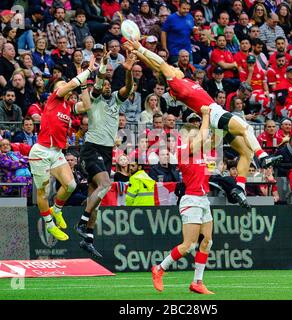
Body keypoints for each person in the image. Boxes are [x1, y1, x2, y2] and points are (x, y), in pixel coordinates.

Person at [126, 39, 283, 192]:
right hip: (214, 112)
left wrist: (138, 53)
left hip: (214, 114)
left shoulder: (184, 80)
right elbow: (160, 63)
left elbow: (156, 66)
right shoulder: (175, 82)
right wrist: (140, 48)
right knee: (246, 128)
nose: (177, 69)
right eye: (174, 68)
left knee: (246, 153)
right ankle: (263, 156)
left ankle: (239, 189)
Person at [74, 48, 136, 258]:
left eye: (111, 84)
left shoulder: (115, 101)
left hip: (107, 151)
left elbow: (128, 88)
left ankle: (88, 238)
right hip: (92, 148)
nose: (108, 87)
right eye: (106, 85)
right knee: (105, 185)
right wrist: (102, 66)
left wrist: (127, 70)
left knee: (96, 195)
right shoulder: (95, 98)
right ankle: (82, 223)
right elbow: (99, 82)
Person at [28, 55, 97, 241]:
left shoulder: (69, 106)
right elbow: (70, 84)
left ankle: (57, 210)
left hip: (56, 152)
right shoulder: (53, 99)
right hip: (41, 151)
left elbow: (88, 105)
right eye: (61, 84)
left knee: (71, 185)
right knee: (44, 192)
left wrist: (83, 86)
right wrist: (88, 71)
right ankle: (49, 225)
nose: (64, 86)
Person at [151, 105, 214, 295]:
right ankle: (159, 269)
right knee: (188, 245)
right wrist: (205, 115)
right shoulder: (183, 150)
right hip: (191, 200)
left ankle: (197, 282)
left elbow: (209, 139)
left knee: (207, 242)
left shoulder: (201, 151)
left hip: (203, 199)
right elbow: (204, 135)